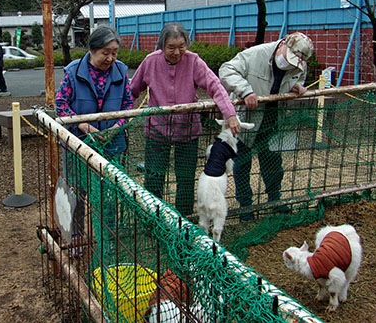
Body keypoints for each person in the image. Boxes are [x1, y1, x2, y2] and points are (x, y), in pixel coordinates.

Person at [130, 22, 240, 217]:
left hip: (187, 130)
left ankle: (184, 220)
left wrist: (230, 114)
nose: (177, 52)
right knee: (154, 176)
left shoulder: (193, 61)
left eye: (182, 46)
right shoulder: (150, 62)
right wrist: (120, 117)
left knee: (186, 178)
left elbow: (215, 86)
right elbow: (132, 90)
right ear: (161, 46)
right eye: (171, 47)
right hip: (157, 130)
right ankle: (153, 218)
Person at [55, 25, 134, 256]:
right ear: (92, 50)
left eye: (114, 52)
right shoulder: (73, 72)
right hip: (78, 143)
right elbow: (61, 104)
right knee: (77, 192)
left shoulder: (120, 72)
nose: (110, 58)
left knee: (108, 194)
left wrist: (116, 127)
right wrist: (82, 124)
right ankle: (76, 238)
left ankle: (106, 238)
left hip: (112, 143)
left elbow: (128, 105)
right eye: (105, 52)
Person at [219, 32, 314, 221]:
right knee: (242, 163)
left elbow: (298, 79)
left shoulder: (299, 65)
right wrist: (245, 91)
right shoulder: (256, 54)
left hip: (273, 118)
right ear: (283, 45)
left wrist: (297, 87)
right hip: (246, 118)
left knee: (272, 162)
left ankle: (274, 200)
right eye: (289, 57)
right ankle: (245, 206)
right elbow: (226, 70)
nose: (290, 64)